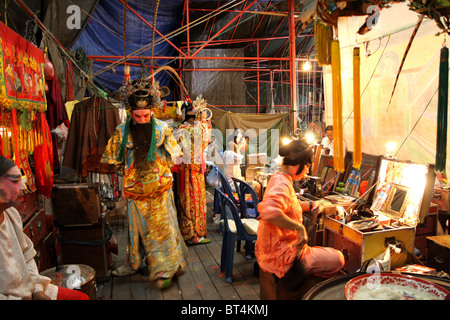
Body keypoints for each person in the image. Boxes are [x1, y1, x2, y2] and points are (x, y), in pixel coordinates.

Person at [101, 79, 187, 289]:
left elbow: (174, 156)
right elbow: (114, 161)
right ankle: (135, 263)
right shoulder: (122, 131)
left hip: (160, 189)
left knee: (161, 228)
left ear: (152, 112)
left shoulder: (162, 129)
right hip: (134, 190)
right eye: (137, 116)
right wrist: (128, 174)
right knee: (135, 230)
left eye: (146, 116)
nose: (141, 120)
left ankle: (166, 266)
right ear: (130, 113)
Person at [0, 156, 89, 300]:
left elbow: (27, 255)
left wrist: (37, 289)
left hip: (30, 291)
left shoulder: (11, 214)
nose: (23, 187)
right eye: (15, 181)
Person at [255, 138, 345, 281]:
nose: (308, 170)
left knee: (325, 254)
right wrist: (299, 228)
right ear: (299, 164)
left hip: (270, 252)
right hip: (282, 257)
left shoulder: (279, 177)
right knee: (338, 259)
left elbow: (289, 204)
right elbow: (269, 212)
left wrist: (310, 205)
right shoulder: (282, 184)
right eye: (308, 165)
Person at [173, 97, 212, 245]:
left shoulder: (178, 130)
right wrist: (203, 120)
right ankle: (194, 234)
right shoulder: (195, 130)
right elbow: (205, 136)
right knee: (194, 202)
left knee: (184, 201)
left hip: (183, 170)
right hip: (192, 172)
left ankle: (185, 231)